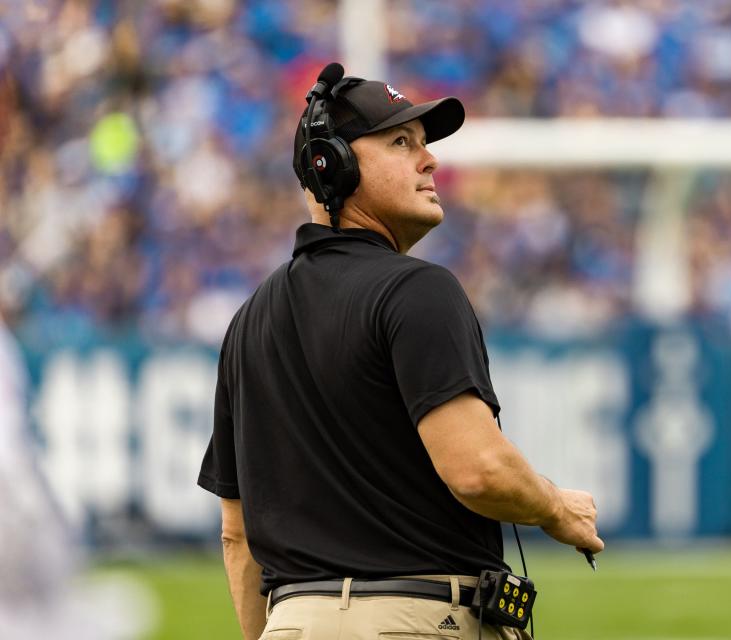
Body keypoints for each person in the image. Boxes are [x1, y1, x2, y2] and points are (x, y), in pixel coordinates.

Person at [198, 63, 603, 640]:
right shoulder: (417, 289)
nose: (430, 159)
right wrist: (556, 510)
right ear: (330, 164)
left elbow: (237, 536)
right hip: (416, 620)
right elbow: (478, 469)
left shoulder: (248, 321)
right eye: (399, 142)